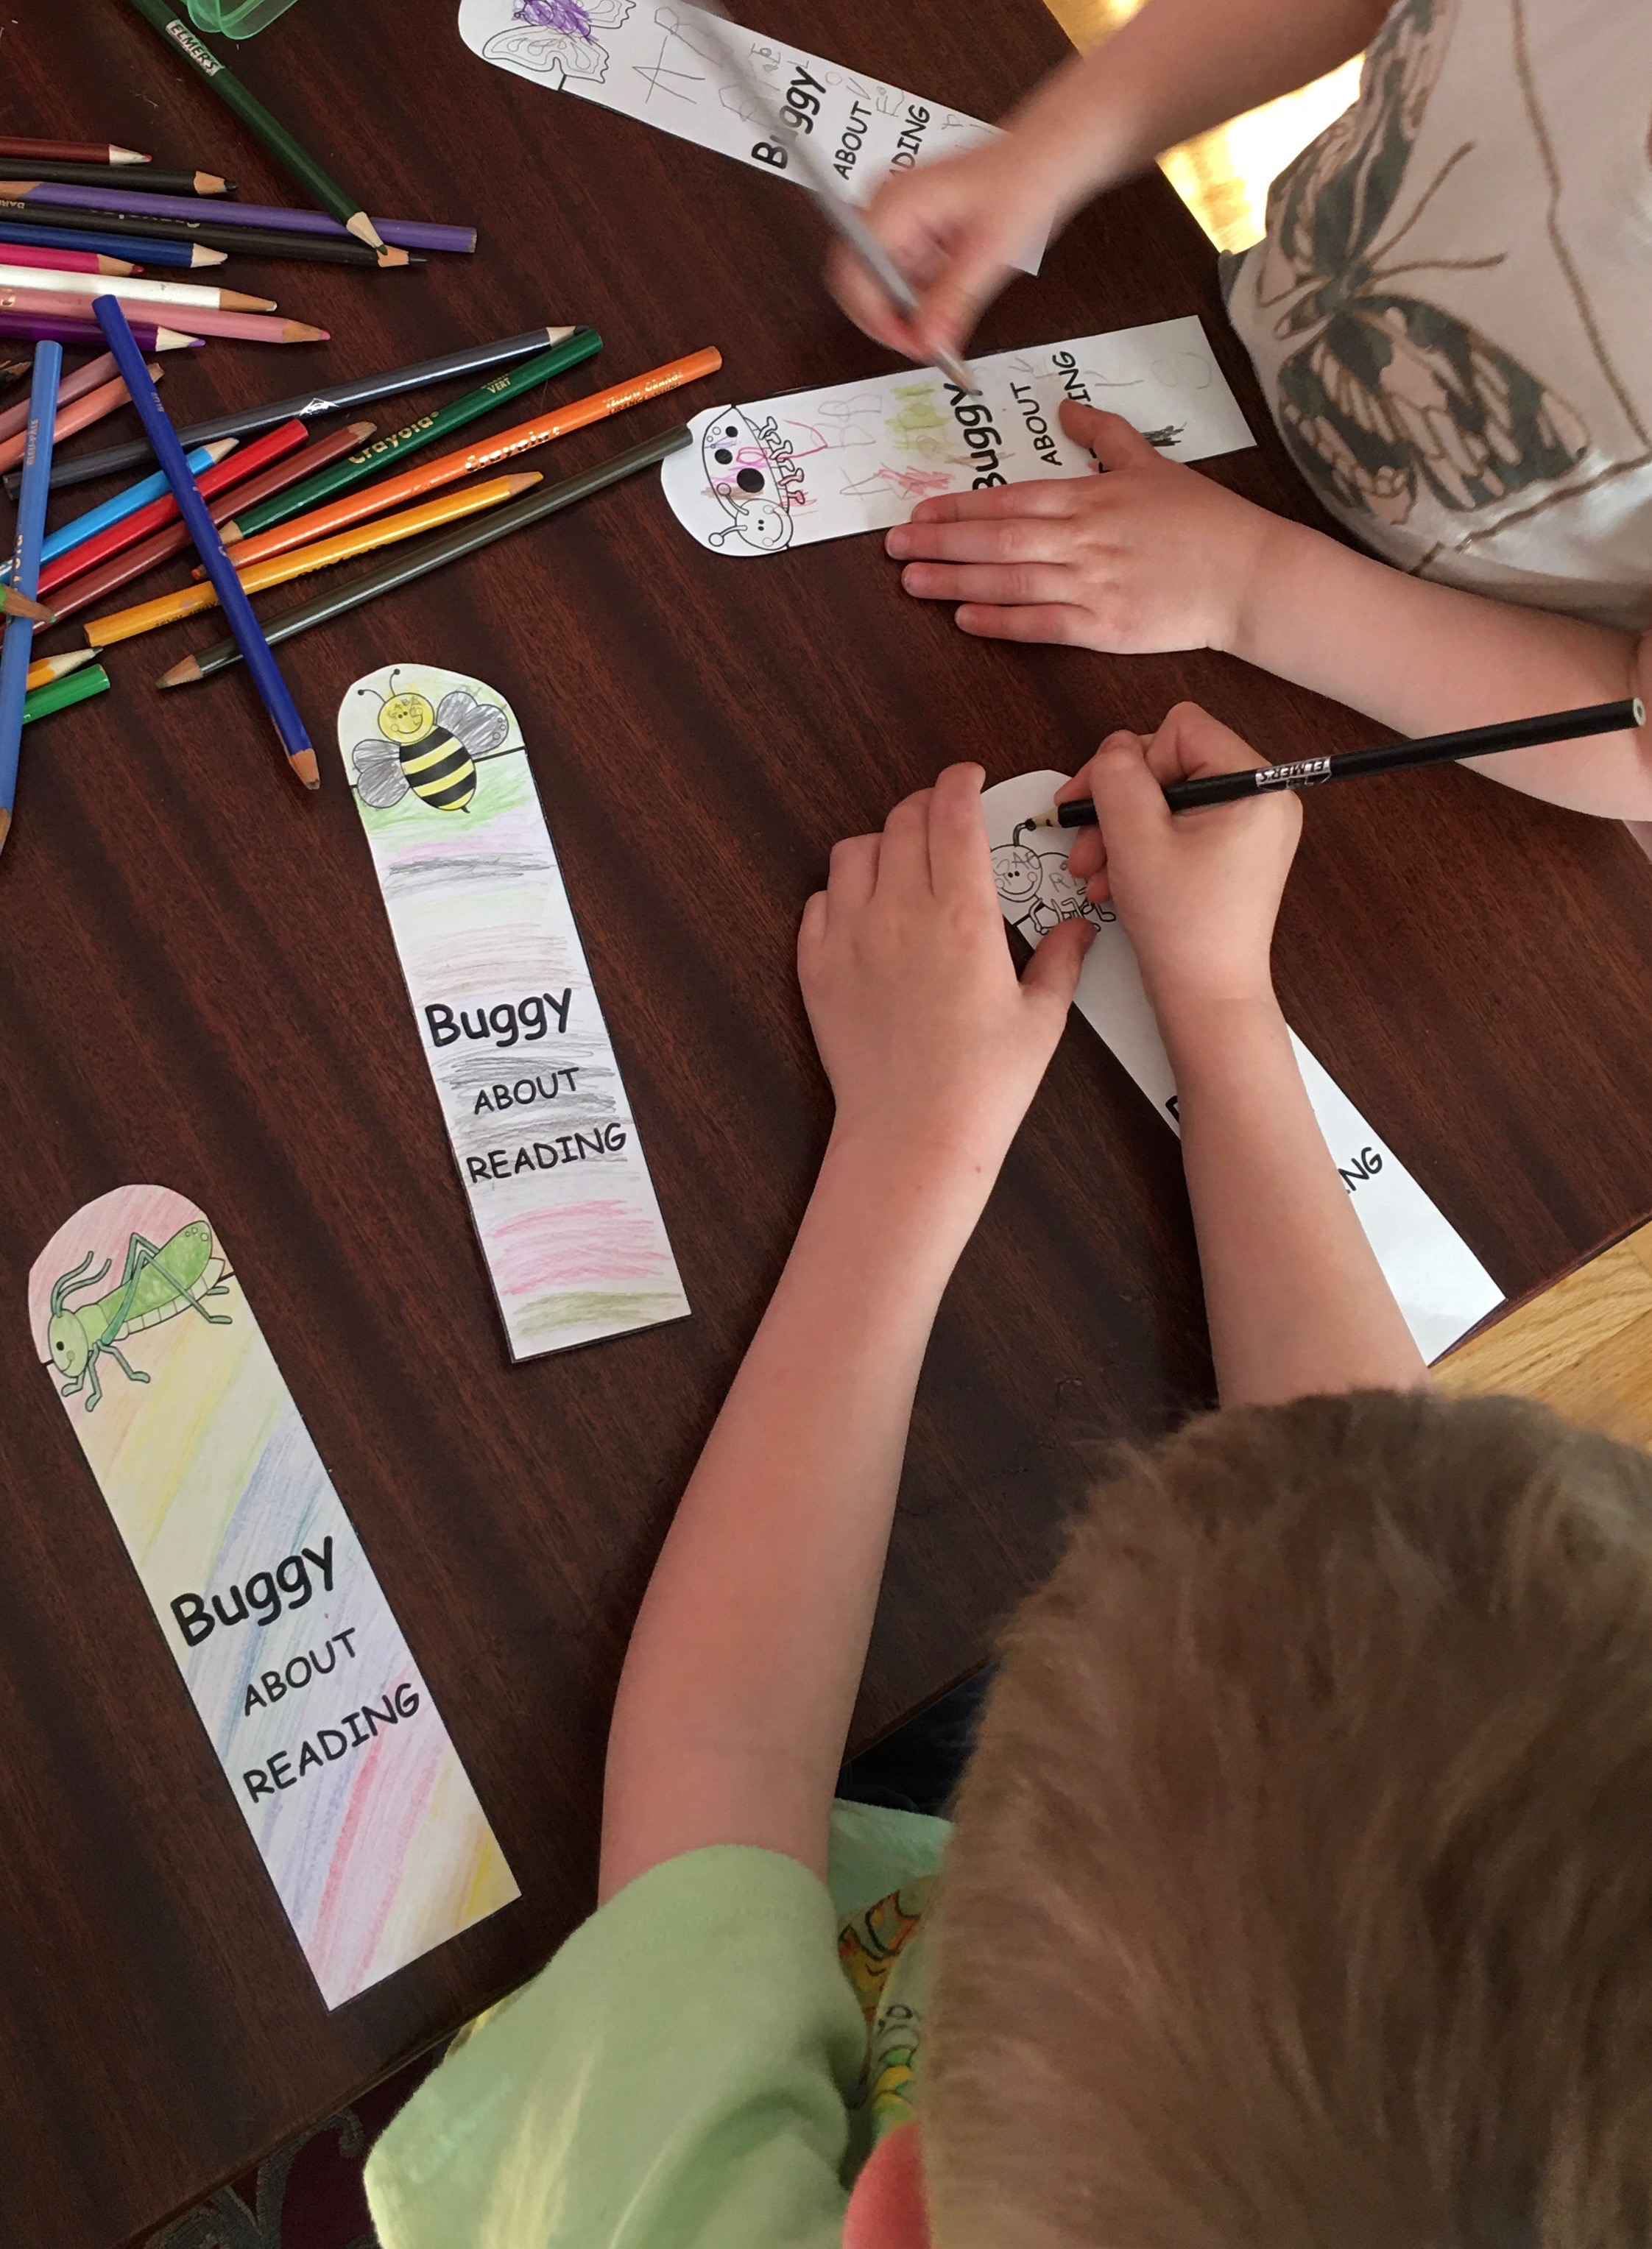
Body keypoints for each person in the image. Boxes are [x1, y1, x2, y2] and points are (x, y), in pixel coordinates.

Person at [363, 708, 1652, 2248]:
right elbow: (1375, 1572)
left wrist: (911, 1138)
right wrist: (1222, 1000)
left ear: (885, 2215)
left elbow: (714, 1770)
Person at [830, 0, 1652, 822]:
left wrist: (1247, 584)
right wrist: (1052, 150)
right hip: (1226, 343)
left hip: (1438, 681)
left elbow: (1637, 741)